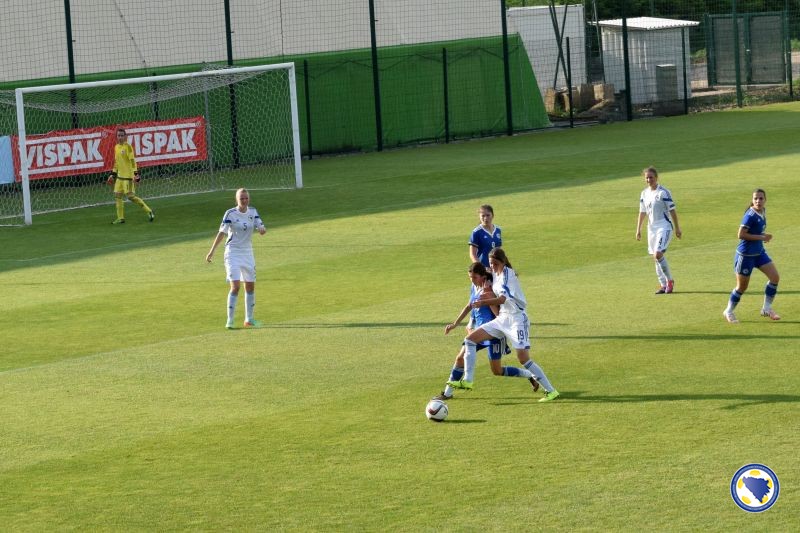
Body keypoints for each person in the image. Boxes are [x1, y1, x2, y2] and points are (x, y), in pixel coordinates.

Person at [455, 248, 560, 402]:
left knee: (523, 359)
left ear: (503, 262)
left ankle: (551, 391)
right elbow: (483, 272)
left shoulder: (507, 276)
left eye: (495, 264)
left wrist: (483, 302)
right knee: (470, 340)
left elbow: (502, 299)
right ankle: (468, 380)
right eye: (491, 263)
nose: (492, 266)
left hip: (517, 320)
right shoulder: (494, 272)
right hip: (503, 318)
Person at [434, 262, 539, 401]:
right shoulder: (474, 287)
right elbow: (469, 306)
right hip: (479, 332)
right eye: (470, 277)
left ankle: (529, 375)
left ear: (483, 277)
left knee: (497, 370)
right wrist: (455, 324)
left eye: (474, 277)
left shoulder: (490, 290)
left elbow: (498, 315)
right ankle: (447, 393)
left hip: (493, 333)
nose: (472, 280)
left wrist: (487, 298)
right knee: (460, 358)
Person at [206, 188, 266, 329]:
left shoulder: (253, 212)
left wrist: (262, 230)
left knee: (250, 286)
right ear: (236, 200)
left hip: (247, 253)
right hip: (232, 253)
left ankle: (249, 319)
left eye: (246, 198)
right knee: (235, 286)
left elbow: (261, 226)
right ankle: (230, 320)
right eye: (241, 199)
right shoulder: (230, 213)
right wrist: (211, 251)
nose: (244, 201)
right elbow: (222, 233)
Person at [723, 189, 781, 323]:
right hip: (745, 256)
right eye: (755, 198)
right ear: (752, 200)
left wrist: (763, 236)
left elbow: (756, 231)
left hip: (759, 253)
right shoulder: (750, 215)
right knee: (742, 287)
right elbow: (741, 234)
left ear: (765, 200)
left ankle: (766, 308)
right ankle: (728, 311)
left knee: (775, 277)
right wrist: (762, 237)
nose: (758, 201)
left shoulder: (763, 211)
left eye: (761, 198)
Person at [635, 166, 681, 293]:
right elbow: (642, 212)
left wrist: (677, 228)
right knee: (655, 258)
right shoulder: (644, 194)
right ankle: (663, 285)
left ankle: (670, 281)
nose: (649, 180)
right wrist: (638, 229)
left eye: (651, 177)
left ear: (656, 177)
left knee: (658, 254)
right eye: (647, 178)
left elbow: (672, 210)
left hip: (664, 226)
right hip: (651, 228)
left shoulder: (663, 192)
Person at [107, 127, 154, 224]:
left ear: (125, 136)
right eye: (118, 135)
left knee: (130, 197)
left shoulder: (128, 147)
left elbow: (133, 161)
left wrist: (136, 174)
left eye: (122, 135)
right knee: (117, 196)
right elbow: (116, 162)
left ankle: (149, 211)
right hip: (119, 177)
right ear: (116, 137)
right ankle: (120, 218)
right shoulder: (116, 147)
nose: (120, 137)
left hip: (128, 177)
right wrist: (112, 174)